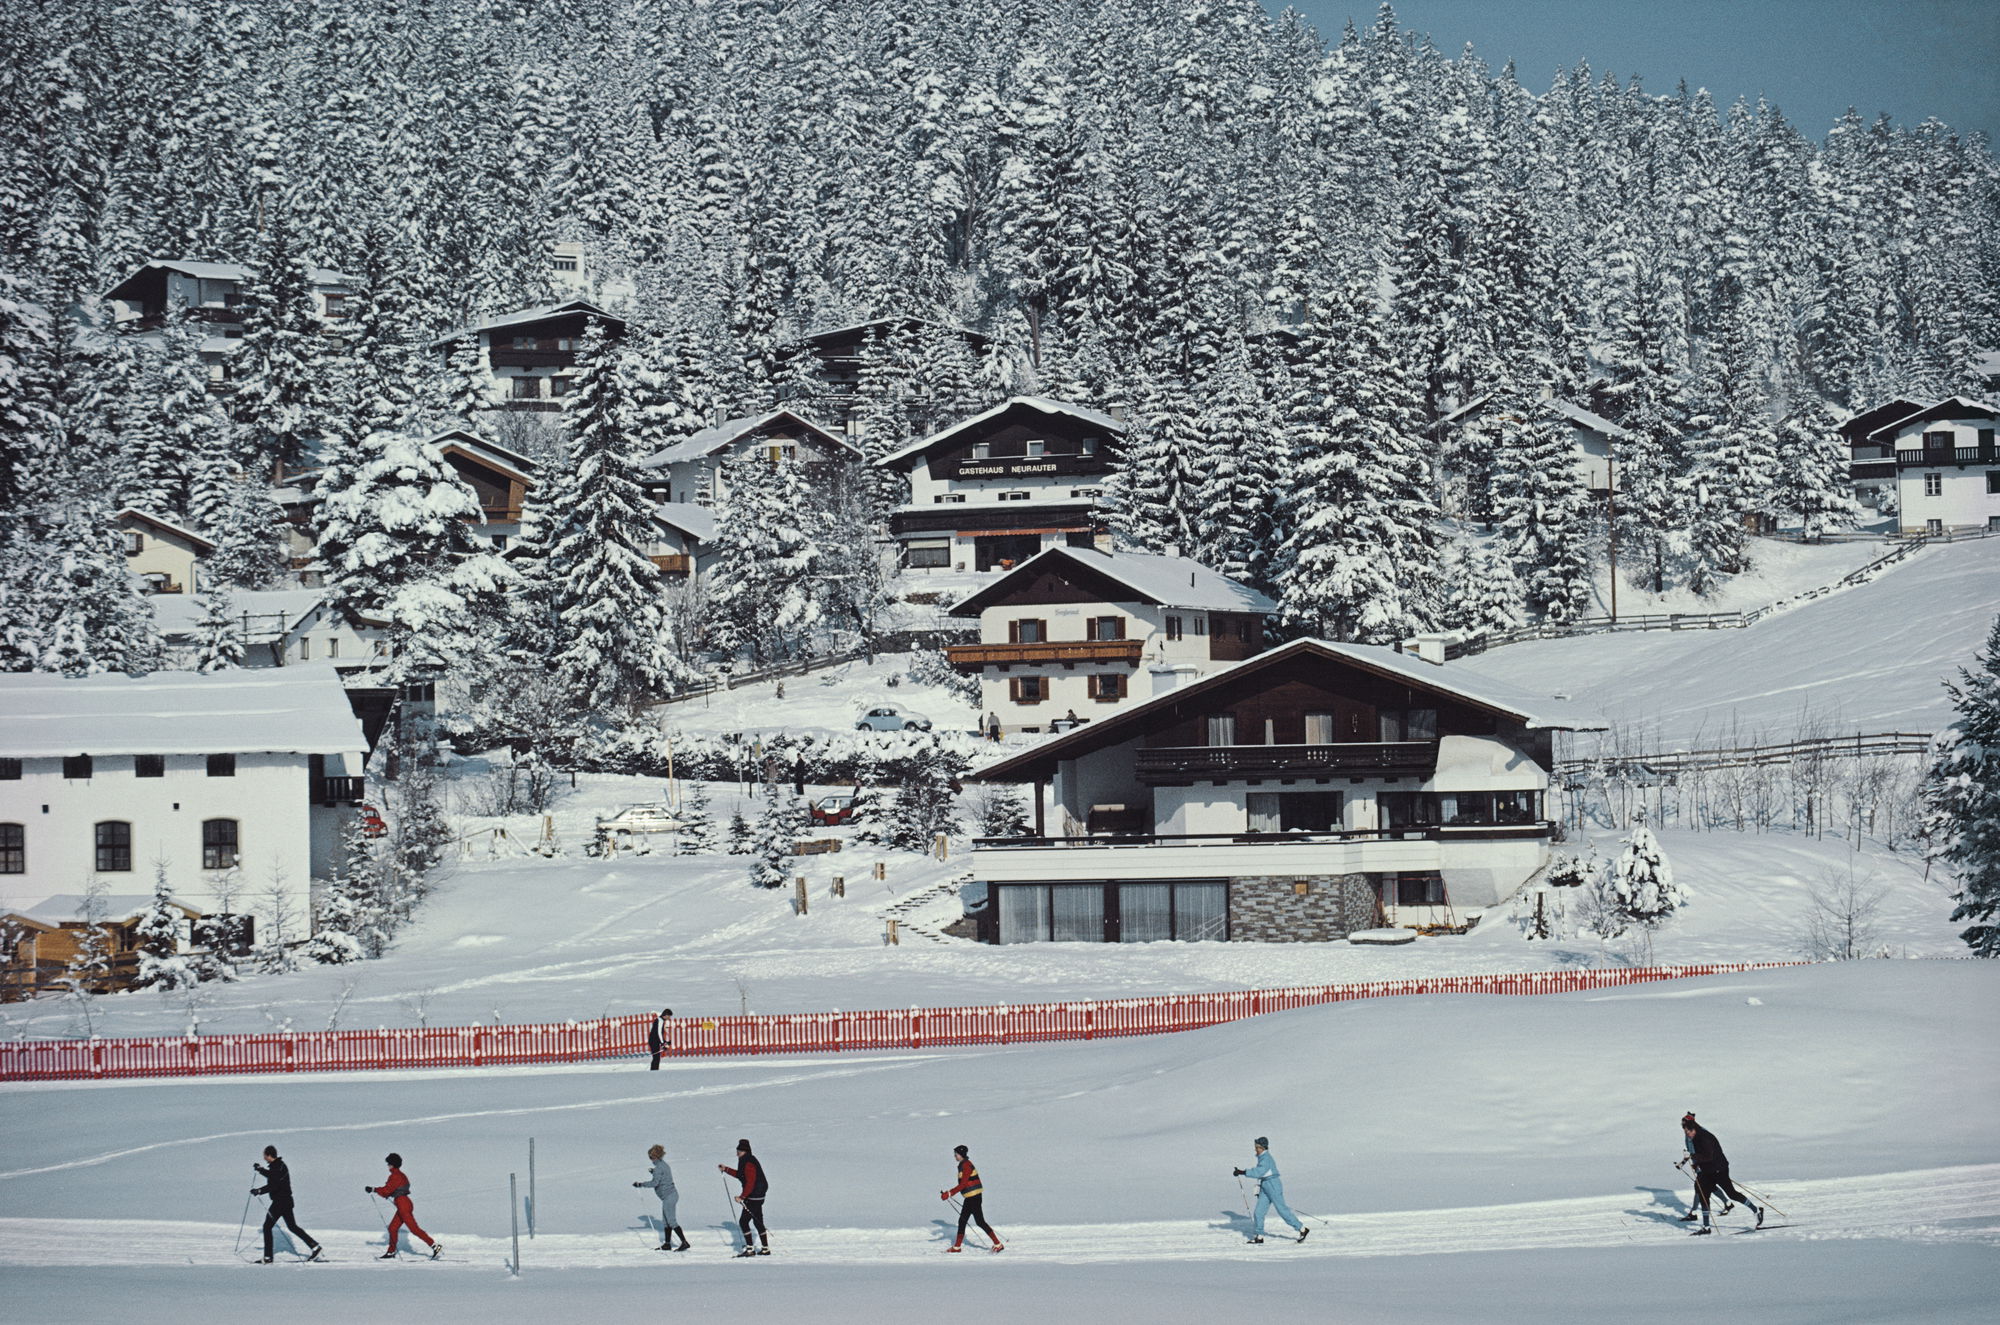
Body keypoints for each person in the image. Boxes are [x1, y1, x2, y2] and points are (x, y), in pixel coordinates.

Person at [1678, 1112, 1763, 1233]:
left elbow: (1708, 1156)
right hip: (1707, 1170)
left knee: (1732, 1194)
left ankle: (1756, 1210)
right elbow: (1702, 1156)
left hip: (1719, 1169)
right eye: (1685, 1131)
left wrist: (1693, 1156)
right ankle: (1706, 1227)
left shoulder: (1705, 1137)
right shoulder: (1695, 1137)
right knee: (1702, 1193)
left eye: (1688, 1131)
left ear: (1693, 1129)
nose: (1687, 1134)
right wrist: (1696, 1164)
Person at [251, 1145, 322, 1263]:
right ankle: (315, 1246)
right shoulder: (279, 1165)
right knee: (292, 1226)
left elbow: (274, 1185)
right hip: (286, 1201)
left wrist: (259, 1191)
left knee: (267, 1227)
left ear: (269, 1155)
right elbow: (272, 1175)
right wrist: (260, 1170)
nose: (264, 1158)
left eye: (264, 1155)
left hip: (280, 1202)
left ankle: (268, 1257)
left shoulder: (277, 1167)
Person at [1233, 1136, 1309, 1245]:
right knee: (1258, 1212)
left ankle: (1302, 1229)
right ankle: (1259, 1236)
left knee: (1282, 1210)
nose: (1255, 1149)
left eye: (1257, 1147)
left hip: (1273, 1184)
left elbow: (1259, 1172)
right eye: (1255, 1147)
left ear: (1263, 1148)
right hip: (1265, 1185)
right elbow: (1261, 1174)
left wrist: (1243, 1172)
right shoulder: (1262, 1157)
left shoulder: (1266, 1158)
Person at [366, 1152, 442, 1259]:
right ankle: (391, 1252)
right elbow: (392, 1190)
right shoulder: (401, 1175)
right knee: (392, 1228)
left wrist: (374, 1189)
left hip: (403, 1204)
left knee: (414, 1229)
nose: (387, 1166)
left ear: (392, 1164)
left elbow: (387, 1190)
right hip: (403, 1202)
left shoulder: (395, 1176)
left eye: (388, 1164)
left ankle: (435, 1246)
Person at [939, 1144, 1003, 1252]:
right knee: (962, 1221)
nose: (955, 1156)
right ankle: (957, 1247)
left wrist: (949, 1193)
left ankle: (998, 1244)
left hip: (974, 1197)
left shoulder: (967, 1165)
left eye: (956, 1154)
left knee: (980, 1222)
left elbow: (963, 1184)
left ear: (961, 1154)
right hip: (970, 1197)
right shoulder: (963, 1165)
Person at [634, 1144, 690, 1251]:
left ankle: (684, 1242)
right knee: (666, 1221)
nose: (650, 1159)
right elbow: (663, 1176)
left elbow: (654, 1183)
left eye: (651, 1157)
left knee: (671, 1221)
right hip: (669, 1196)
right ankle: (667, 1244)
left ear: (656, 1156)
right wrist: (653, 1172)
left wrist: (641, 1184)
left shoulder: (659, 1168)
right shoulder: (663, 1165)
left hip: (669, 1196)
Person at [719, 1138, 769, 1256]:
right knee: (758, 1221)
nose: (737, 1153)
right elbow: (741, 1175)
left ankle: (750, 1249)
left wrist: (742, 1197)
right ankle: (765, 1249)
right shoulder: (747, 1160)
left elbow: (750, 1182)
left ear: (745, 1151)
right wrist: (726, 1169)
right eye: (737, 1151)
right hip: (758, 1195)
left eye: (739, 1151)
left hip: (754, 1196)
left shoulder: (748, 1162)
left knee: (744, 1221)